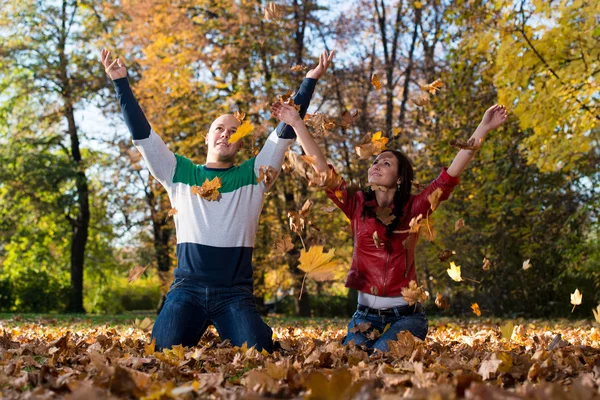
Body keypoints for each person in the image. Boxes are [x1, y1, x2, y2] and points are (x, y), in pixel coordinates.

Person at [101, 48, 334, 352]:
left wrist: (310, 80)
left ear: (240, 142)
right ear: (207, 138)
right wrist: (121, 83)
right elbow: (143, 135)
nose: (226, 134)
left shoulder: (255, 174)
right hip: (187, 290)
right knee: (161, 352)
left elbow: (285, 132)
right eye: (219, 129)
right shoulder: (177, 171)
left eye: (234, 131)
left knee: (260, 352)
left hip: (234, 293)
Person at [270, 100, 508, 352]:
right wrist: (297, 122)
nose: (376, 165)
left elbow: (449, 176)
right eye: (375, 162)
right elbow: (322, 171)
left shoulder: (415, 208)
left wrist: (483, 127)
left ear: (400, 178)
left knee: (381, 357)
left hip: (407, 318)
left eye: (386, 163)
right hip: (364, 318)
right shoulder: (357, 204)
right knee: (353, 360)